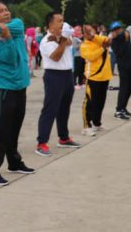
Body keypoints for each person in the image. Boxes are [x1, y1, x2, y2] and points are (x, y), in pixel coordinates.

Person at [0, 2, 35, 186]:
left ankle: (14, 162)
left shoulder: (17, 26)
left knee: (14, 127)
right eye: (0, 12)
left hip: (21, 86)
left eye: (6, 10)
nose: (5, 13)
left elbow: (16, 25)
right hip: (5, 87)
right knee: (0, 129)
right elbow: (10, 58)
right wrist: (5, 36)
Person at [35, 13, 80, 157]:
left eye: (63, 21)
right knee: (50, 109)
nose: (63, 24)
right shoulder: (45, 41)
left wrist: (63, 37)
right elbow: (56, 57)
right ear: (50, 25)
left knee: (64, 108)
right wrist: (62, 39)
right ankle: (42, 142)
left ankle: (64, 137)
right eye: (59, 21)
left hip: (67, 74)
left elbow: (70, 43)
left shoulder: (62, 37)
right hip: (54, 76)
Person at [80, 24, 113, 137]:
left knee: (100, 102)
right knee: (90, 102)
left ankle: (97, 123)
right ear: (84, 34)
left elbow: (108, 41)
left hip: (105, 76)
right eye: (88, 31)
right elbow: (91, 57)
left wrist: (94, 37)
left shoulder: (99, 40)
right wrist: (102, 48)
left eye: (92, 30)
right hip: (93, 77)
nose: (90, 33)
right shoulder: (84, 45)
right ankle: (86, 126)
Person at [109, 21, 131, 121]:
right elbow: (120, 53)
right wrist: (123, 38)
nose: (118, 31)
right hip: (124, 67)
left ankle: (124, 107)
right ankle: (119, 110)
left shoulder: (126, 37)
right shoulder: (114, 41)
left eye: (119, 29)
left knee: (130, 88)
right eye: (115, 30)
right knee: (124, 89)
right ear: (112, 32)